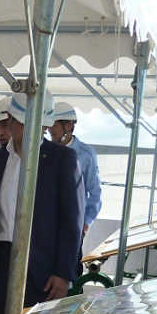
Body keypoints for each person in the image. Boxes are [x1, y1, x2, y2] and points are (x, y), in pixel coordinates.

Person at [0, 91, 85, 314]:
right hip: (1, 261)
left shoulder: (63, 159)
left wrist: (63, 273)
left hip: (43, 267)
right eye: (25, 124)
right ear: (11, 119)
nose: (33, 131)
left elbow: (72, 221)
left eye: (39, 127)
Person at [48, 101, 102, 275]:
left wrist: (85, 224)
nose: (49, 129)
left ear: (69, 125)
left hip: (72, 228)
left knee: (69, 275)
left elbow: (95, 193)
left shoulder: (86, 154)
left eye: (54, 124)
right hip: (46, 227)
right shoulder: (44, 152)